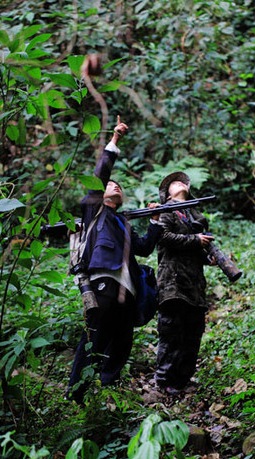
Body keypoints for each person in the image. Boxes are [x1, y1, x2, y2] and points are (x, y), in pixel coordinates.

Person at [65, 116, 162, 404]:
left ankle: (109, 395)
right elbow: (101, 175)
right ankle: (76, 396)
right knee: (94, 338)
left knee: (121, 344)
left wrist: (154, 221)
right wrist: (115, 140)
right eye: (111, 186)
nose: (115, 187)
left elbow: (143, 249)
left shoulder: (124, 224)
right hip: (103, 283)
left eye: (119, 187)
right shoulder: (95, 211)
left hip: (128, 292)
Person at [154, 171, 214, 394]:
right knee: (172, 331)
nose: (179, 183)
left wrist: (209, 257)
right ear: (167, 195)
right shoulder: (166, 212)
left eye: (182, 182)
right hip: (172, 283)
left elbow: (198, 251)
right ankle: (163, 381)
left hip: (194, 283)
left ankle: (182, 380)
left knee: (193, 331)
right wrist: (194, 240)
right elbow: (163, 237)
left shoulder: (195, 217)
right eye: (173, 183)